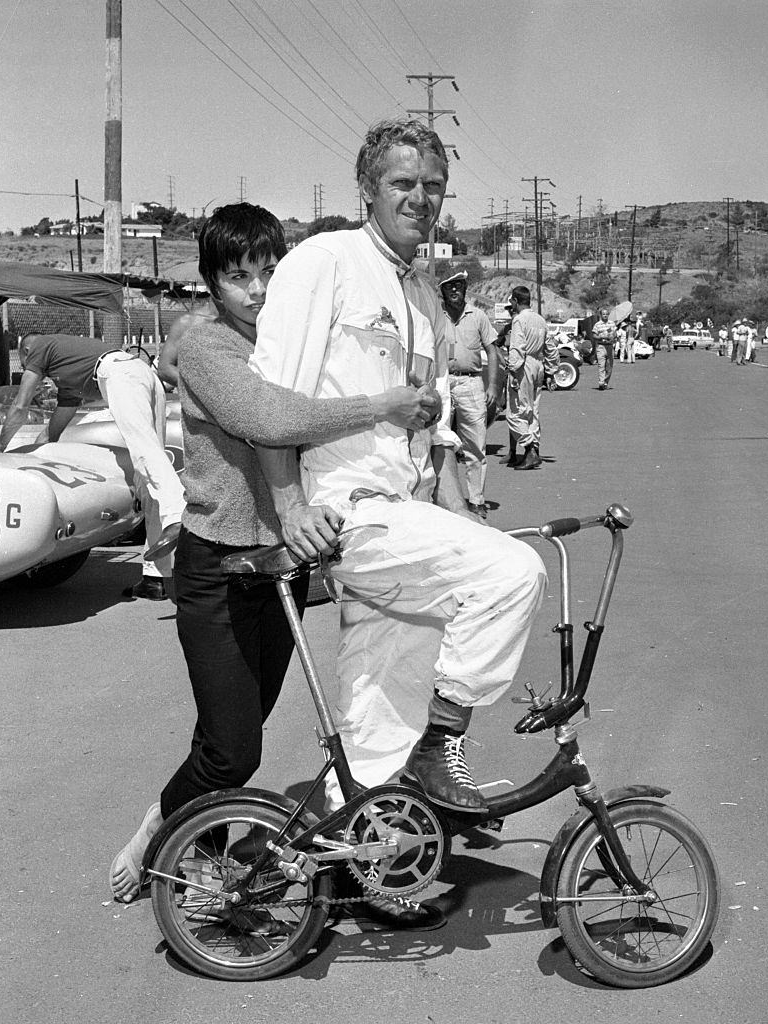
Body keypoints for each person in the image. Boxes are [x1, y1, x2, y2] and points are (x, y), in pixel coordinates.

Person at [108, 203, 439, 927]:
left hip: (282, 568)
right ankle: (172, 845)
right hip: (218, 566)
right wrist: (383, 404)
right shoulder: (203, 344)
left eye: (268, 272)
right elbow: (270, 420)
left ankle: (180, 832)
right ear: (211, 281)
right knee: (232, 749)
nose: (256, 291)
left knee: (229, 736)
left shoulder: (293, 336)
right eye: (238, 278)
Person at [248, 119, 547, 824]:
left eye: (433, 187)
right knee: (513, 573)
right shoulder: (325, 262)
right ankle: (443, 735)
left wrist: (453, 508)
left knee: (379, 718)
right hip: (347, 510)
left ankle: (341, 864)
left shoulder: (417, 290)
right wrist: (291, 511)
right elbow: (268, 403)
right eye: (403, 183)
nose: (420, 198)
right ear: (366, 188)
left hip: (404, 512)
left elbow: (424, 426)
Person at [0, 332, 185, 600]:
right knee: (148, 475)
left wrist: (1, 448)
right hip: (141, 374)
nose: (30, 370)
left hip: (120, 375)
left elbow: (20, 405)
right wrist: (30, 453)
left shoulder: (38, 345)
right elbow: (53, 433)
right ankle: (156, 577)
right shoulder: (70, 380)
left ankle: (176, 511)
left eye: (26, 364)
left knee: (145, 455)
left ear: (26, 352)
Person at [439, 269, 500, 518]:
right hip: (441, 382)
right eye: (450, 286)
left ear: (465, 288)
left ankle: (476, 500)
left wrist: (493, 385)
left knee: (475, 445)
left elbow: (493, 351)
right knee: (438, 442)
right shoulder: (434, 315)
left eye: (459, 286)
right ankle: (442, 500)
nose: (455, 290)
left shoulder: (478, 316)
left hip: (471, 383)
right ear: (442, 291)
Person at [505, 285, 557, 468]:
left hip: (524, 365)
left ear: (516, 301)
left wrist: (513, 370)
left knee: (515, 412)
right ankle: (535, 446)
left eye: (512, 301)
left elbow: (517, 347)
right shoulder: (540, 320)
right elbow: (551, 347)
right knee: (533, 411)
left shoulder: (519, 320)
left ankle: (529, 449)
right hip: (538, 365)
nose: (511, 305)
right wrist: (550, 371)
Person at [591, 306, 616, 389]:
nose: (605, 315)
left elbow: (615, 333)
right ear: (601, 315)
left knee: (609, 367)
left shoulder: (611, 323)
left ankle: (605, 382)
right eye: (603, 314)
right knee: (601, 366)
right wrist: (602, 337)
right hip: (601, 346)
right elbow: (594, 335)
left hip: (610, 346)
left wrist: (613, 336)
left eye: (606, 314)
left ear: (608, 315)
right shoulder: (597, 325)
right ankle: (601, 383)